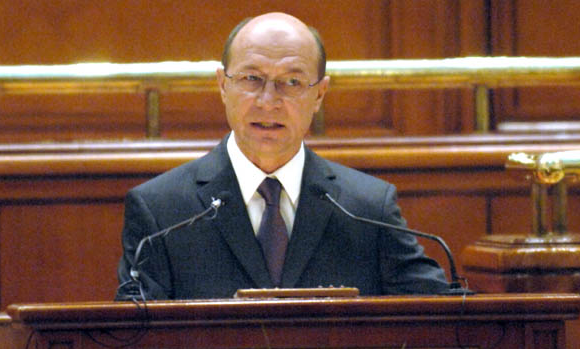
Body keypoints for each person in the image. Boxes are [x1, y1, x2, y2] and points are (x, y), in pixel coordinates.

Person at [116, 12, 449, 300]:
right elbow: (133, 335)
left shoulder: (368, 208)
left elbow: (439, 311)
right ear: (222, 85)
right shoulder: (161, 211)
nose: (268, 101)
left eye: (291, 81)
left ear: (320, 94)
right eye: (251, 79)